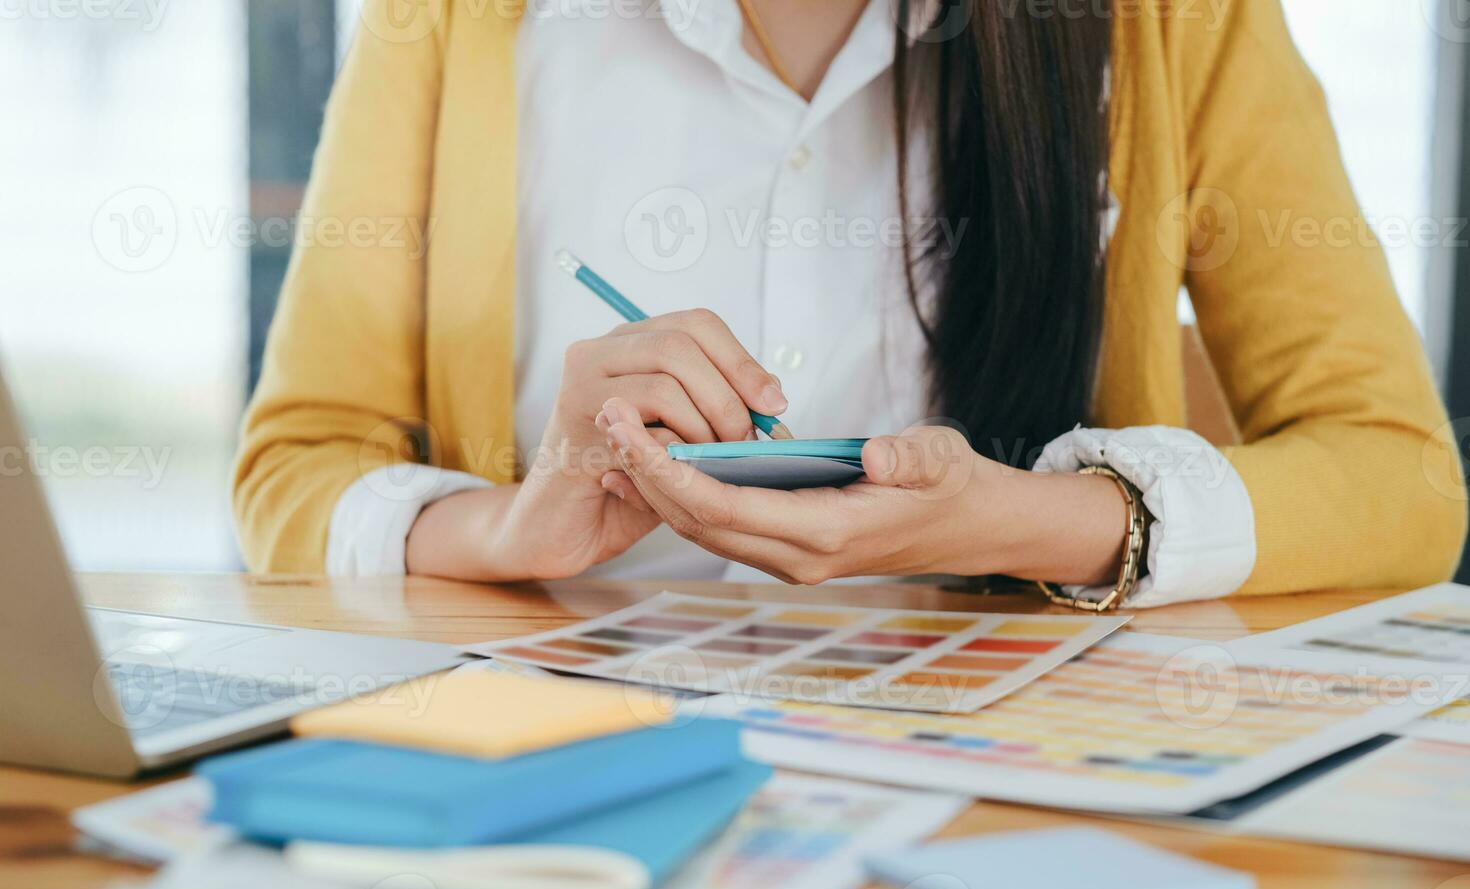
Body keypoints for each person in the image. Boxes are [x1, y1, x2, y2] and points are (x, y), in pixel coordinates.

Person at [232, 0, 1466, 608]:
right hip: (557, 800)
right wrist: (503, 533)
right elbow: (291, 467)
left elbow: (1402, 480)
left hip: (1001, 811)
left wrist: (1031, 521)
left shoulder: (1172, 24)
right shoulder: (454, 24)